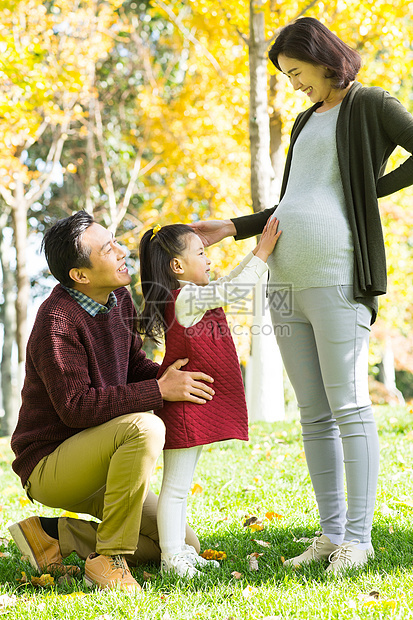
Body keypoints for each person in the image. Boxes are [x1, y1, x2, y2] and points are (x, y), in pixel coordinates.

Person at [191, 17, 413, 574]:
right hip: (284, 280)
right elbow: (293, 201)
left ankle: (357, 540)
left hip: (339, 273)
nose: (293, 84)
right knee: (313, 414)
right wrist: (233, 226)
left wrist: (371, 189)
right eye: (286, 76)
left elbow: (359, 183)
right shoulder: (302, 122)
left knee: (350, 404)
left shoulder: (371, 104)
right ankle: (330, 534)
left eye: (296, 72)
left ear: (321, 57)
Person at [9, 210, 216, 591]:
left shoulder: (118, 298)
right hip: (51, 462)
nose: (121, 251)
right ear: (81, 275)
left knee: (179, 542)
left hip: (104, 456)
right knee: (146, 426)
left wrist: (170, 378)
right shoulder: (57, 321)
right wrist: (159, 391)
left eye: (116, 241)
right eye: (108, 249)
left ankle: (53, 535)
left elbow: (132, 362)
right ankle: (109, 559)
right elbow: (76, 406)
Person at [136, 219, 281, 577]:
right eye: (201, 253)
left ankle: (179, 551)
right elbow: (232, 290)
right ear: (177, 266)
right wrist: (261, 252)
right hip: (184, 408)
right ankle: (172, 558)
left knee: (180, 486)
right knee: (176, 487)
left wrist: (252, 255)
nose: (209, 259)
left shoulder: (189, 295)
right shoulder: (185, 298)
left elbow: (227, 283)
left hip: (192, 406)